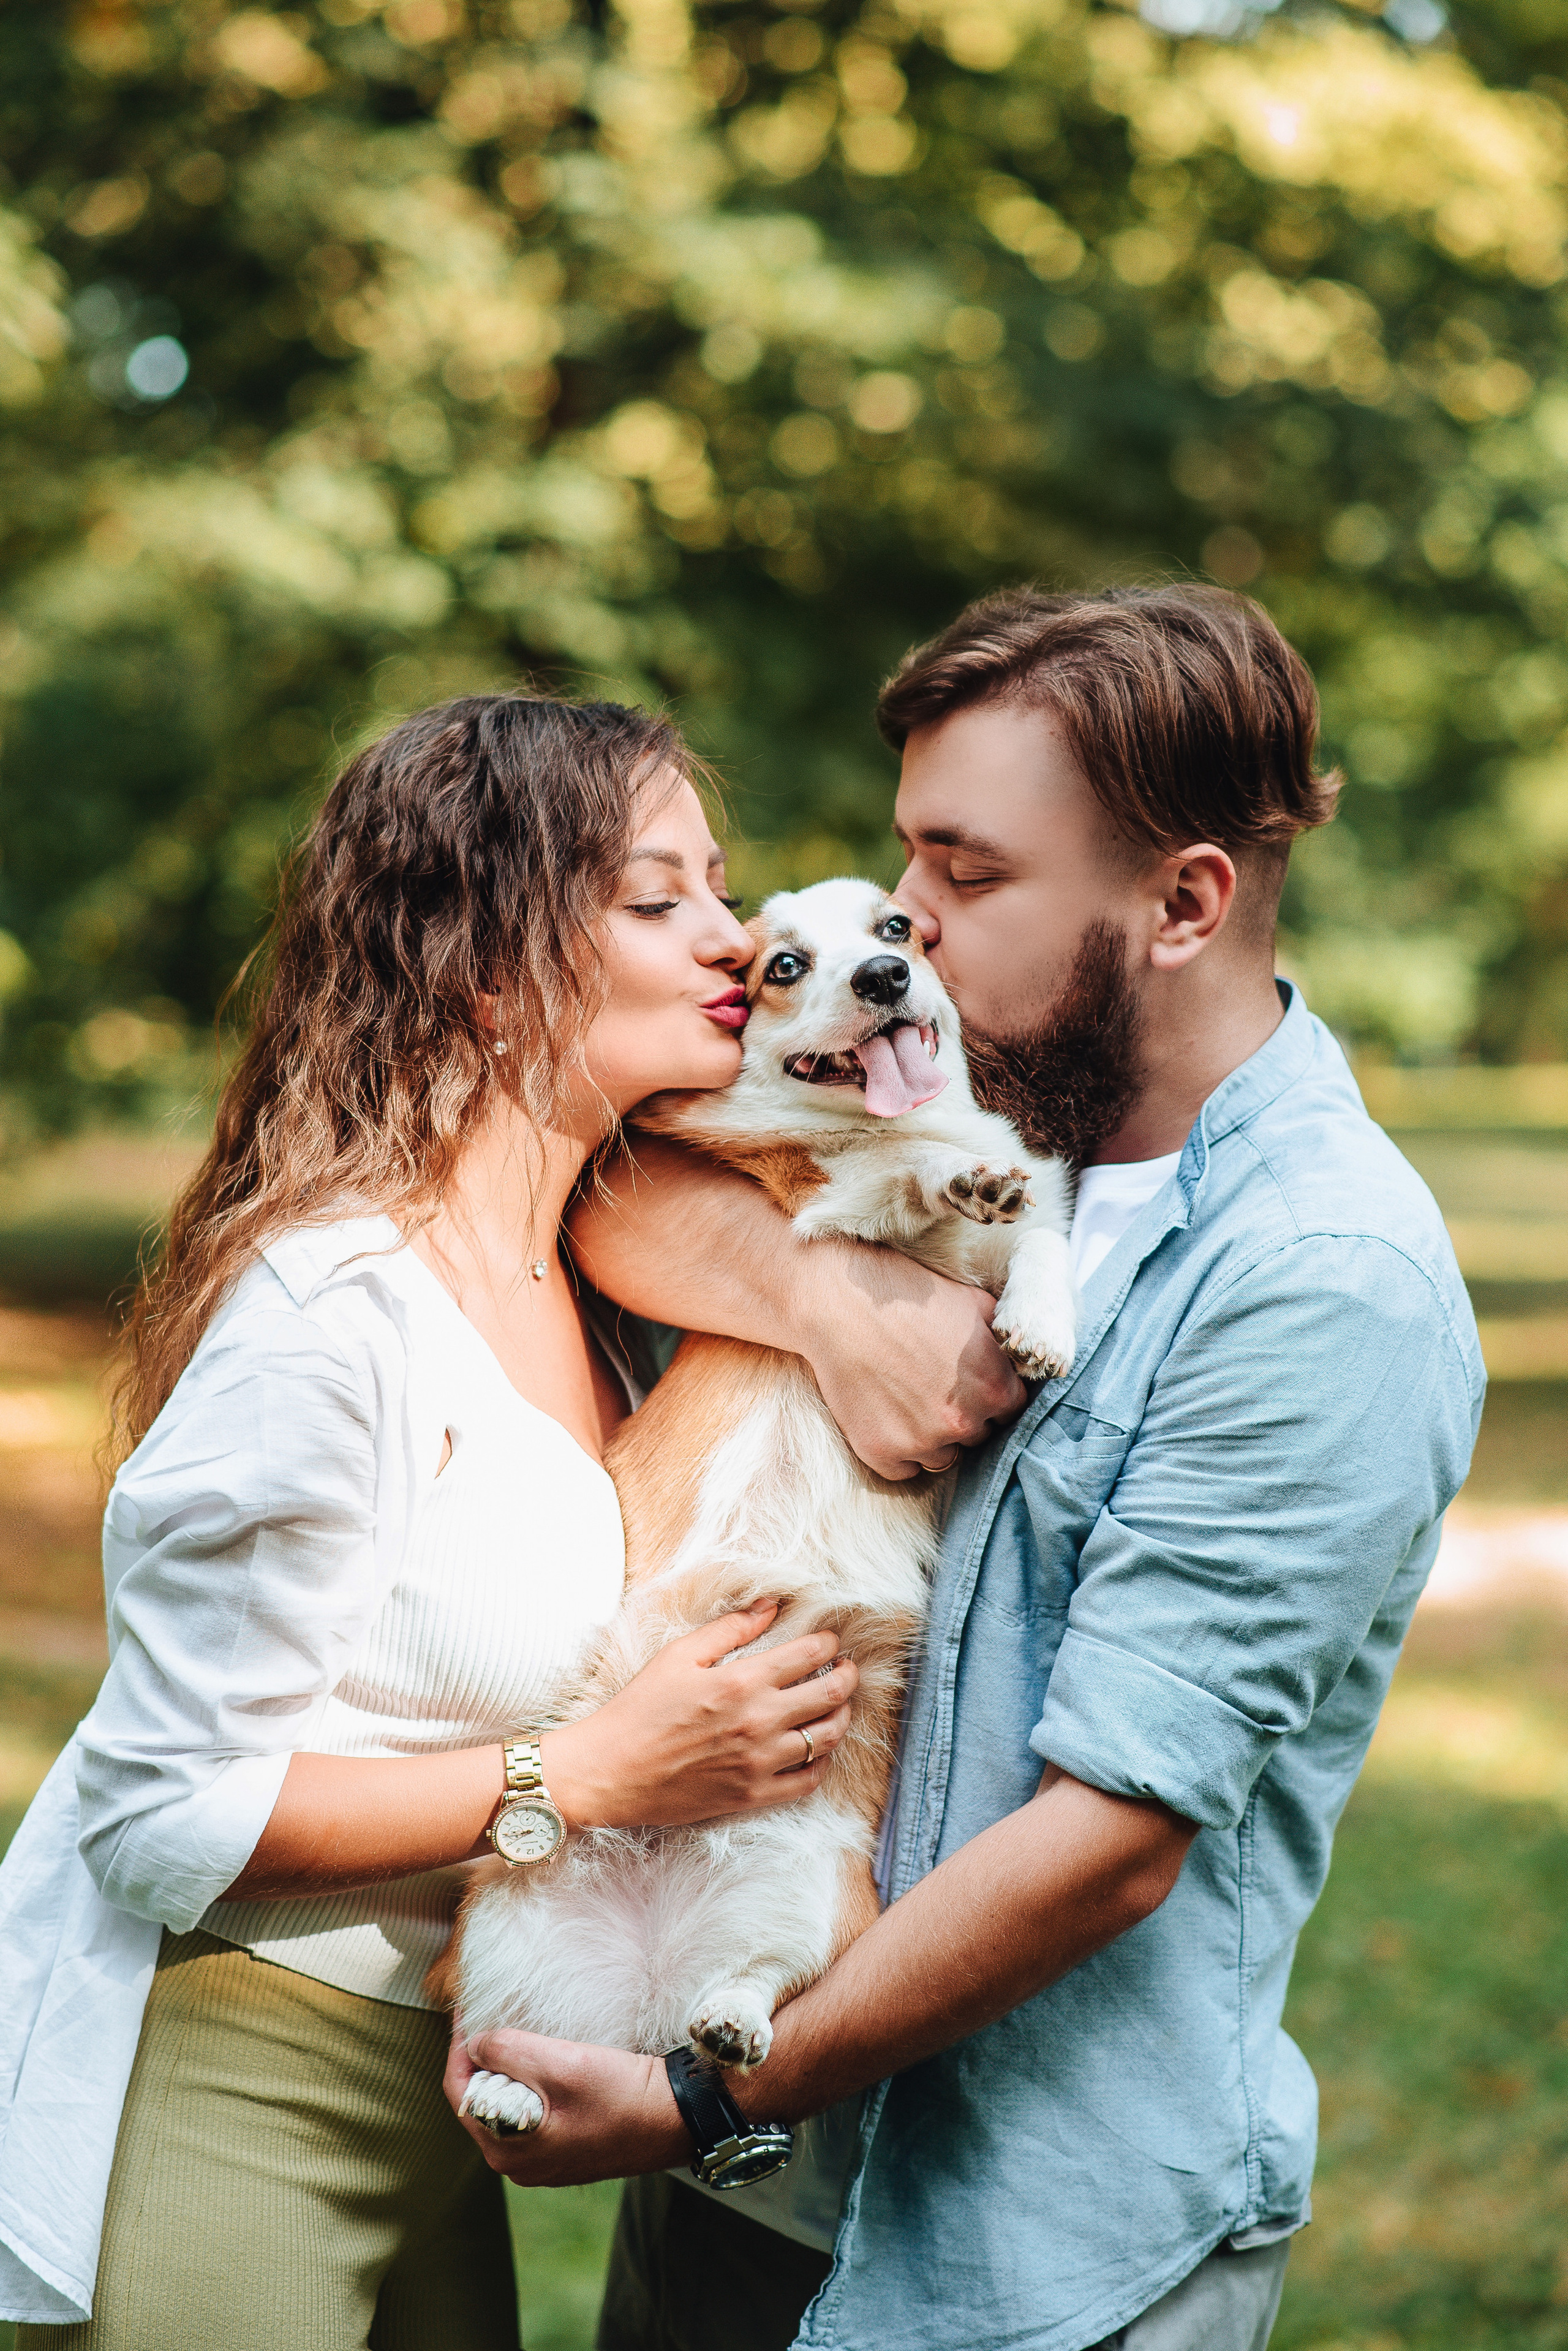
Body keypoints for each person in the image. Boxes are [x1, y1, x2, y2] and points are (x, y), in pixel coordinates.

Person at [448, 587, 1485, 2351]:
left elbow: (1110, 1841)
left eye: (968, 873)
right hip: (752, 2169)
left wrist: (709, 2096)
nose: (902, 923)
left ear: (1183, 903)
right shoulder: (957, 1107)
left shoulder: (1322, 1280)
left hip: (1030, 2236)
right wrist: (815, 1295)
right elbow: (605, 1179)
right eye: (906, 859)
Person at [0, 695, 864, 2347]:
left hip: (451, 2091)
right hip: (244, 2069)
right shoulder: (333, 1320)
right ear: (486, 968)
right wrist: (598, 1776)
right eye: (658, 896)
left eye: (723, 886)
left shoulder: (605, 1289)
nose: (734, 935)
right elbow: (157, 1812)